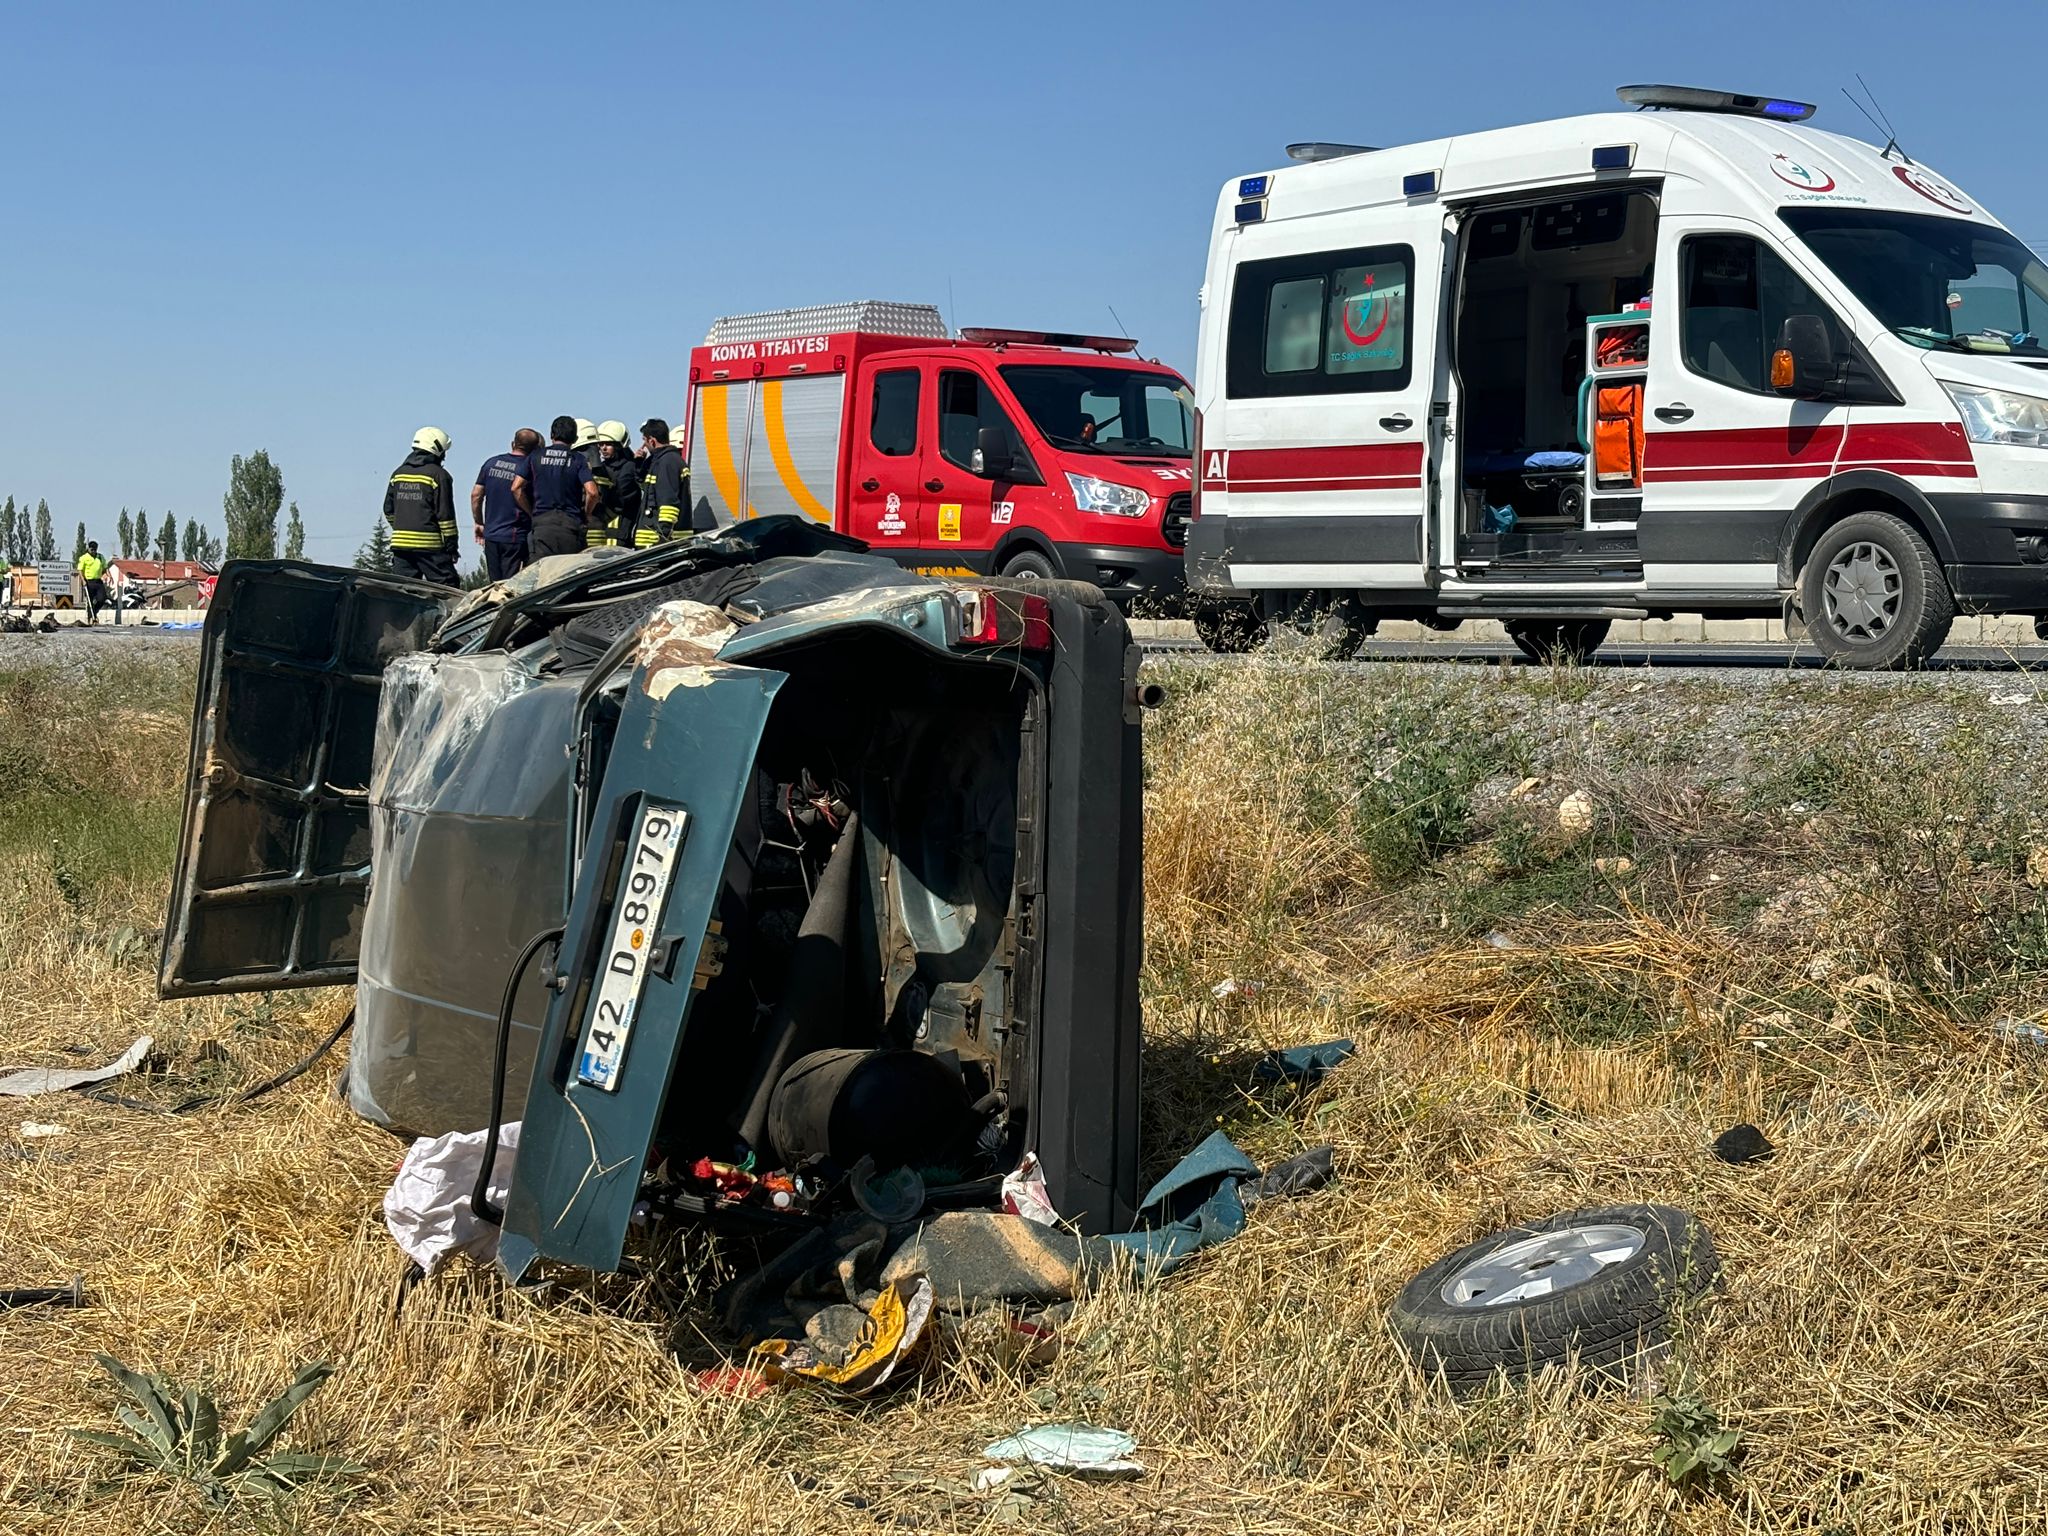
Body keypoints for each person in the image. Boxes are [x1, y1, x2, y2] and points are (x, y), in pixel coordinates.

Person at [515, 416, 599, 560]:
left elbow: (516, 487)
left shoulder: (535, 456)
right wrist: (585, 514)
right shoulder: (578, 459)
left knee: (543, 578)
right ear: (575, 438)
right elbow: (592, 492)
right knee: (569, 577)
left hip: (542, 527)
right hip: (570, 528)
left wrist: (531, 512)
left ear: (552, 435)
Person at [385, 427, 461, 585]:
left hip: (400, 545)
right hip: (429, 546)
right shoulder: (439, 475)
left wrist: (402, 530)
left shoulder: (398, 474)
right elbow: (445, 516)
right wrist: (451, 546)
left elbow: (388, 510)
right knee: (447, 587)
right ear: (436, 449)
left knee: (404, 590)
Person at [473, 428, 539, 580]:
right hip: (514, 537)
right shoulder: (530, 468)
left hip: (491, 536)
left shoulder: (491, 463)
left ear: (513, 444)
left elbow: (476, 495)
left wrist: (478, 522)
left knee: (494, 584)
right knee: (509, 586)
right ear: (535, 449)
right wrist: (532, 514)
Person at [637, 418, 691, 546]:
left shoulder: (667, 462)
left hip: (657, 544)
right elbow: (648, 491)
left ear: (652, 441)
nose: (644, 446)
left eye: (645, 441)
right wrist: (639, 464)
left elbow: (669, 503)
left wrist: (662, 537)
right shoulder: (661, 461)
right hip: (653, 544)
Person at [592, 421, 642, 547]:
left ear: (619, 446)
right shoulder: (601, 468)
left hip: (621, 531)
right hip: (603, 530)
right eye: (601, 444)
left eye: (608, 444)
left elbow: (623, 499)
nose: (603, 448)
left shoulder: (630, 468)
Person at [75, 541, 110, 622]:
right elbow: (80, 570)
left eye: (94, 550)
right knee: (90, 600)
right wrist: (83, 580)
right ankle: (91, 617)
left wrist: (108, 576)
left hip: (98, 581)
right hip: (89, 581)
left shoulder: (100, 557)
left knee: (102, 598)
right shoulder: (84, 558)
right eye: (92, 550)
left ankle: (94, 611)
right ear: (89, 549)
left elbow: (105, 568)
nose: (93, 551)